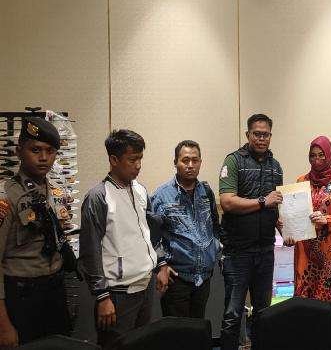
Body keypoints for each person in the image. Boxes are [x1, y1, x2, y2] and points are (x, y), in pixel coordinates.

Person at [79, 129, 158, 348]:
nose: (138, 165)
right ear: (114, 160)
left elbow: (148, 233)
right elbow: (90, 251)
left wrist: (159, 263)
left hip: (145, 286)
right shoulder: (98, 196)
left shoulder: (141, 190)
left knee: (142, 344)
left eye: (140, 159)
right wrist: (102, 296)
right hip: (117, 294)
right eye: (132, 160)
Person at [0, 118, 72, 346]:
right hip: (21, 297)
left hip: (55, 291)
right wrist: (3, 325)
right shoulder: (6, 197)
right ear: (19, 151)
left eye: (50, 151)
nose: (43, 157)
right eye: (35, 150)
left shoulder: (56, 192)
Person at [218, 114, 283, 350]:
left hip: (265, 251)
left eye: (266, 134)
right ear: (248, 135)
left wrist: (286, 228)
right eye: (257, 134)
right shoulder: (233, 161)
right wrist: (263, 201)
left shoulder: (276, 167)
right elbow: (227, 202)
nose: (261, 139)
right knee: (233, 314)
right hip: (238, 252)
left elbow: (275, 207)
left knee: (263, 313)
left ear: (270, 136)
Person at [150, 140, 221, 318]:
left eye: (195, 160)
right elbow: (151, 236)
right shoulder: (161, 195)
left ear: (200, 162)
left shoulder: (206, 192)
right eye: (185, 160)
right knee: (178, 331)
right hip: (177, 278)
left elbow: (214, 225)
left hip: (203, 277)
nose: (190, 165)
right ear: (175, 162)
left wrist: (215, 250)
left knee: (198, 328)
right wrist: (161, 265)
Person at [284, 136, 331, 303]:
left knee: (326, 296)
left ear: (329, 155)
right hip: (304, 249)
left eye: (321, 155)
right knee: (303, 297)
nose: (317, 159)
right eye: (313, 155)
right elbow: (293, 213)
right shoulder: (301, 181)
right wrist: (289, 233)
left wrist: (326, 219)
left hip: (328, 250)